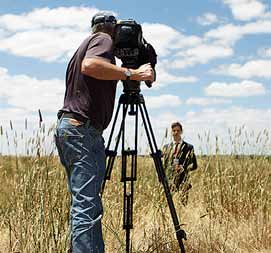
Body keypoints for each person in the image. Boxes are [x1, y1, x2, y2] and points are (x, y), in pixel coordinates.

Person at [54, 12, 154, 253]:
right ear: (111, 29)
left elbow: (94, 68)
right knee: (87, 207)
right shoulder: (103, 39)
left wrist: (124, 70)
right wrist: (132, 73)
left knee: (84, 204)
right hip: (83, 131)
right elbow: (91, 66)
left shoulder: (85, 45)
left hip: (72, 129)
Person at [162, 121, 197, 205]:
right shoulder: (166, 147)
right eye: (174, 131)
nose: (176, 133)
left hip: (183, 181)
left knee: (183, 205)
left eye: (178, 130)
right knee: (168, 205)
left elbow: (194, 165)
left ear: (181, 131)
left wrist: (183, 168)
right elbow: (165, 165)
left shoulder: (188, 147)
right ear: (171, 132)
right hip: (170, 181)